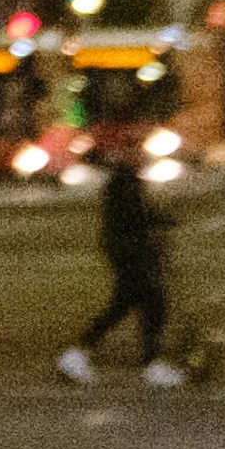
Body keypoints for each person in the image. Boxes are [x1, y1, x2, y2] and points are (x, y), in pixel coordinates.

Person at [65, 151, 185, 386]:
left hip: (129, 253)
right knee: (148, 305)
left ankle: (78, 355)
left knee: (137, 306)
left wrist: (160, 219)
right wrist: (158, 223)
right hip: (130, 255)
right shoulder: (124, 182)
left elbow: (137, 216)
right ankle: (152, 365)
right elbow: (133, 218)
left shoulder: (125, 181)